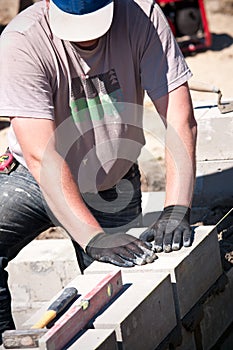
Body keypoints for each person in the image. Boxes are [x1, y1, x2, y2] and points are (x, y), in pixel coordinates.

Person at [0, 0, 197, 339]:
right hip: (31, 178)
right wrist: (94, 237)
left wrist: (177, 206)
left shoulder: (141, 16)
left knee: (120, 296)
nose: (88, 39)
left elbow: (178, 118)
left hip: (111, 182)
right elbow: (40, 154)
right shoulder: (22, 40)